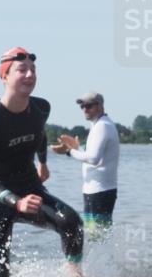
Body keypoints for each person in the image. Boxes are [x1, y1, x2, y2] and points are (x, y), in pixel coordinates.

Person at [0, 47, 91, 277]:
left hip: (31, 188)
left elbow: (39, 133)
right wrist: (16, 202)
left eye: (33, 70)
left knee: (71, 222)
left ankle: (73, 272)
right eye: (21, 70)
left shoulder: (41, 108)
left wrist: (43, 162)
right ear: (4, 76)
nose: (29, 75)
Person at [51, 92, 120, 239]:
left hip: (100, 191)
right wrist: (78, 149)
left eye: (89, 106)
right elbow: (91, 156)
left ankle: (103, 261)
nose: (85, 110)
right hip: (97, 190)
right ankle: (103, 261)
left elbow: (94, 159)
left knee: (97, 236)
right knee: (97, 236)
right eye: (82, 106)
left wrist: (70, 152)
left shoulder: (102, 126)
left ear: (100, 106)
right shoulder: (99, 125)